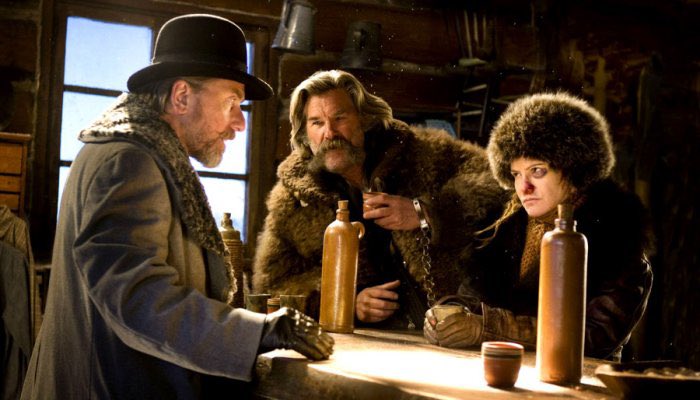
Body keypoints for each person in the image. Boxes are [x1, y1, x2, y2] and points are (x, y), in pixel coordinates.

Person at [21, 14, 333, 399]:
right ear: (182, 96)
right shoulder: (129, 160)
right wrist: (260, 331)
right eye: (231, 102)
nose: (240, 123)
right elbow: (137, 297)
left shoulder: (139, 154)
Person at [252, 69, 506, 330]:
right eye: (317, 123)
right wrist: (346, 302)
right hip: (366, 339)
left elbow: (498, 180)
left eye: (339, 118)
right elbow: (272, 286)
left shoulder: (420, 152)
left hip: (456, 323)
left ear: (363, 118)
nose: (330, 133)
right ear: (305, 134)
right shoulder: (293, 200)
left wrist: (427, 212)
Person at [423, 92, 654, 360]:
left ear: (574, 170)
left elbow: (594, 339)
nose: (524, 187)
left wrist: (487, 327)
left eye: (537, 171)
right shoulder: (501, 229)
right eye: (516, 174)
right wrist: (446, 314)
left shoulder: (618, 243)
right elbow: (471, 299)